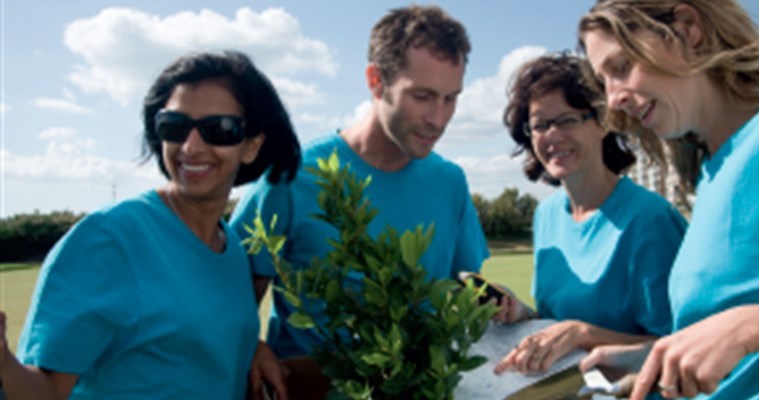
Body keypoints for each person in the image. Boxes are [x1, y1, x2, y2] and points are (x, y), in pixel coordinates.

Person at [0, 51, 299, 399]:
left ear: (251, 146)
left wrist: (252, 346)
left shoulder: (230, 247)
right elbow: (46, 390)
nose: (191, 146)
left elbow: (199, 339)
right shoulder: (107, 239)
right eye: (174, 126)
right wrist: (4, 362)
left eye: (219, 129)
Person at [230, 4, 489, 361]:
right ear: (376, 81)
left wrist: (501, 305)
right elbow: (228, 300)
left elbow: (467, 286)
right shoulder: (291, 175)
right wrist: (251, 347)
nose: (438, 118)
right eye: (422, 96)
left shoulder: (450, 182)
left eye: (451, 99)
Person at [578, 0, 759, 399]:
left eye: (622, 67)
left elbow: (744, 328)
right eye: (603, 80)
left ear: (686, 27)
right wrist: (653, 358)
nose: (612, 100)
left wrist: (749, 327)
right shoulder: (714, 170)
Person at [492, 53, 686, 376]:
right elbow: (557, 321)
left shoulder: (650, 220)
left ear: (603, 122)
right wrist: (521, 315)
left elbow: (682, 347)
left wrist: (585, 335)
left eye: (567, 119)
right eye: (541, 124)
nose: (553, 136)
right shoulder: (546, 215)